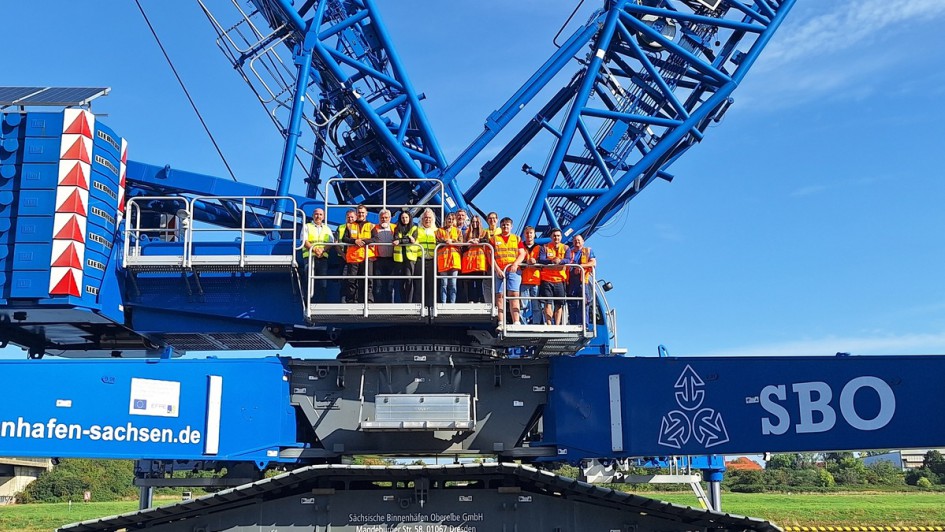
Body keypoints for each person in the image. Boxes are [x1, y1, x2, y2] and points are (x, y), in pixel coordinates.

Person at [491, 216, 525, 326]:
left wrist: (516, 264)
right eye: (503, 225)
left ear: (511, 226)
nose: (505, 226)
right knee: (499, 295)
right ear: (500, 226)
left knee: (514, 294)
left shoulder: (516, 238)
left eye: (507, 225)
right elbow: (490, 255)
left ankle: (516, 321)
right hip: (500, 270)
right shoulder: (494, 239)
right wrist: (496, 269)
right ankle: (501, 321)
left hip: (513, 270)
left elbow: (522, 253)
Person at [341, 204, 375, 303]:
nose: (361, 214)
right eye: (359, 213)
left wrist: (364, 242)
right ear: (357, 213)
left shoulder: (371, 225)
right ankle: (351, 302)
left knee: (367, 281)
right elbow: (344, 238)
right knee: (351, 281)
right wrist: (355, 241)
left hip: (367, 257)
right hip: (353, 257)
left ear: (366, 214)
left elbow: (375, 238)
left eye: (362, 212)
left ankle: (367, 302)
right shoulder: (350, 225)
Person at [299, 207, 334, 303]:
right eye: (316, 214)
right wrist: (315, 249)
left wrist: (322, 250)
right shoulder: (307, 226)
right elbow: (304, 241)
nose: (318, 216)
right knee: (308, 279)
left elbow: (331, 242)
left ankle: (322, 301)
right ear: (313, 216)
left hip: (322, 258)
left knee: (323, 282)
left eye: (320, 214)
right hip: (309, 257)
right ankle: (306, 302)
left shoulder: (327, 229)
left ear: (323, 217)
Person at [538, 228, 571, 325]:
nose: (556, 237)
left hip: (560, 280)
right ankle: (549, 324)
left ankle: (557, 324)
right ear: (551, 237)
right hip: (547, 279)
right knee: (547, 303)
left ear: (561, 237)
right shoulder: (545, 247)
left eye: (558, 236)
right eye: (554, 235)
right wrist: (552, 261)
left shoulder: (566, 248)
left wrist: (560, 261)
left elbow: (568, 260)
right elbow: (541, 259)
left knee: (559, 304)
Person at [567, 234, 596, 326]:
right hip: (571, 281)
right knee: (572, 303)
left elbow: (593, 262)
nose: (577, 242)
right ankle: (573, 323)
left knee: (584, 302)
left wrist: (581, 267)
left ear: (583, 242)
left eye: (579, 240)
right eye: (575, 240)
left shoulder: (588, 251)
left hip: (583, 281)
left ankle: (584, 323)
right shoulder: (569, 252)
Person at [392, 210, 419, 303]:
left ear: (410, 218)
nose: (404, 219)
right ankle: (402, 302)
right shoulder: (396, 228)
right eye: (403, 218)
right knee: (400, 282)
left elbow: (413, 239)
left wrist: (400, 241)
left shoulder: (414, 228)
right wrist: (407, 239)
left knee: (409, 280)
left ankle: (409, 302)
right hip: (399, 259)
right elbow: (395, 239)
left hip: (410, 258)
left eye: (406, 217)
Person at [461, 215, 489, 303]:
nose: (474, 223)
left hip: (479, 261)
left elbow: (487, 243)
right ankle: (471, 299)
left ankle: (480, 299)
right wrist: (469, 242)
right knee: (470, 282)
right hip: (469, 260)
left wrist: (478, 241)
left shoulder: (484, 233)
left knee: (479, 282)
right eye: (473, 222)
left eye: (476, 222)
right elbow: (462, 247)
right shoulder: (466, 233)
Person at [436, 212, 461, 304]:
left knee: (453, 283)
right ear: (445, 220)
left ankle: (452, 303)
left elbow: (461, 242)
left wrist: (453, 241)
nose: (450, 220)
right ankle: (443, 303)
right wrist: (444, 241)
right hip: (443, 260)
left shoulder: (458, 231)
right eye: (448, 219)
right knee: (444, 283)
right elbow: (437, 241)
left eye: (452, 219)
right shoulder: (439, 230)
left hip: (454, 260)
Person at [415, 208, 439, 306]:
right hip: (420, 259)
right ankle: (419, 304)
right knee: (419, 283)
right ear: (422, 219)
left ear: (433, 219)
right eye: (425, 218)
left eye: (429, 218)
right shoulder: (417, 230)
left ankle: (431, 304)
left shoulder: (437, 231)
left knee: (432, 283)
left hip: (433, 260)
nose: (427, 220)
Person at [372, 209, 395, 303]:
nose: (384, 219)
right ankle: (378, 307)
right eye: (382, 218)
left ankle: (390, 307)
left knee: (390, 285)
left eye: (386, 217)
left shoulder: (395, 228)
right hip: (379, 260)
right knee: (378, 285)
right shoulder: (375, 228)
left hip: (391, 260)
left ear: (390, 218)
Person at [519, 226, 542, 324]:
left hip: (535, 280)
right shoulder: (520, 247)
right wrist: (525, 261)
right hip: (523, 279)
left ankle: (536, 324)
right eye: (527, 233)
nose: (529, 235)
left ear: (534, 234)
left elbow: (543, 262)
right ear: (524, 234)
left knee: (536, 305)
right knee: (523, 305)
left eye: (531, 233)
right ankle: (524, 324)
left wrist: (535, 261)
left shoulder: (539, 248)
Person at [482, 211, 500, 301]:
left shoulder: (501, 231)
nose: (492, 220)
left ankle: (498, 303)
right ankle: (488, 302)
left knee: (498, 284)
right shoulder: (484, 232)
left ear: (497, 220)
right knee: (487, 283)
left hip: (499, 262)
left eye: (494, 218)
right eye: (490, 218)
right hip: (487, 261)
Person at [454, 208, 470, 302]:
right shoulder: (452, 228)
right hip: (455, 256)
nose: (460, 217)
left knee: (466, 279)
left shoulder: (468, 229)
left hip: (465, 256)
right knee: (456, 280)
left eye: (462, 215)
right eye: (459, 215)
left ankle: (465, 299)